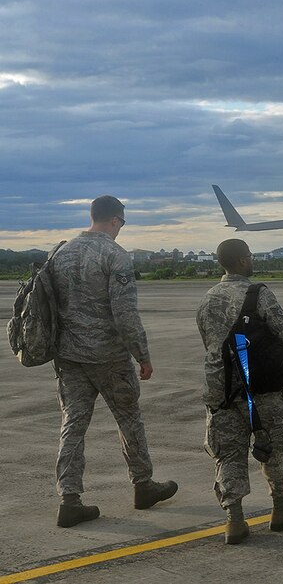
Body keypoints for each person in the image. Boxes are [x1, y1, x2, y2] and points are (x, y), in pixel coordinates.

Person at [48, 195, 177, 528]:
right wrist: (142, 355)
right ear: (116, 220)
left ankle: (69, 500)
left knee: (72, 424)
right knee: (129, 418)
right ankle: (143, 485)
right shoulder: (114, 255)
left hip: (69, 356)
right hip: (108, 356)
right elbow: (124, 313)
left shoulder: (61, 253)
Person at [196, 239, 283, 544]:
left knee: (228, 452)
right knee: (274, 444)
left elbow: (209, 342)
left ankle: (234, 521)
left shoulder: (208, 298)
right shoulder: (257, 294)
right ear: (243, 261)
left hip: (221, 390)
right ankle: (281, 509)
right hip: (261, 385)